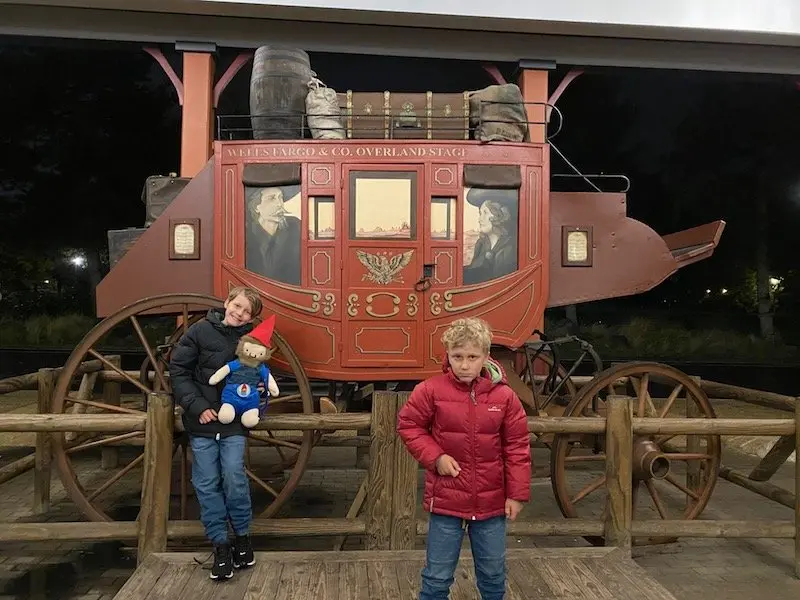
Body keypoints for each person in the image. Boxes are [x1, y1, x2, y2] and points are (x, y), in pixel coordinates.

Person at [397, 317, 531, 600]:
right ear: (448, 355)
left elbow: (517, 447)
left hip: (492, 505)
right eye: (458, 357)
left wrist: (516, 495)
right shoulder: (431, 391)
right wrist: (436, 457)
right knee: (436, 577)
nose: (465, 364)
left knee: (494, 576)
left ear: (485, 356)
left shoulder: (505, 397)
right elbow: (409, 425)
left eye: (472, 357)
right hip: (446, 502)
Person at [169, 286, 263, 581]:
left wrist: (258, 392)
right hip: (202, 422)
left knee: (234, 475)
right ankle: (220, 546)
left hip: (234, 421)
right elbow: (179, 371)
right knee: (207, 483)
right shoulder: (198, 332)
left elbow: (260, 372)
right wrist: (197, 406)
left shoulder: (251, 341)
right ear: (227, 303)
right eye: (237, 306)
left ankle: (243, 538)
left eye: (247, 311)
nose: (240, 313)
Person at [245, 185, 302, 285]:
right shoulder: (247, 234)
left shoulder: (296, 228)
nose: (279, 204)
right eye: (271, 198)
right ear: (256, 207)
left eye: (281, 198)